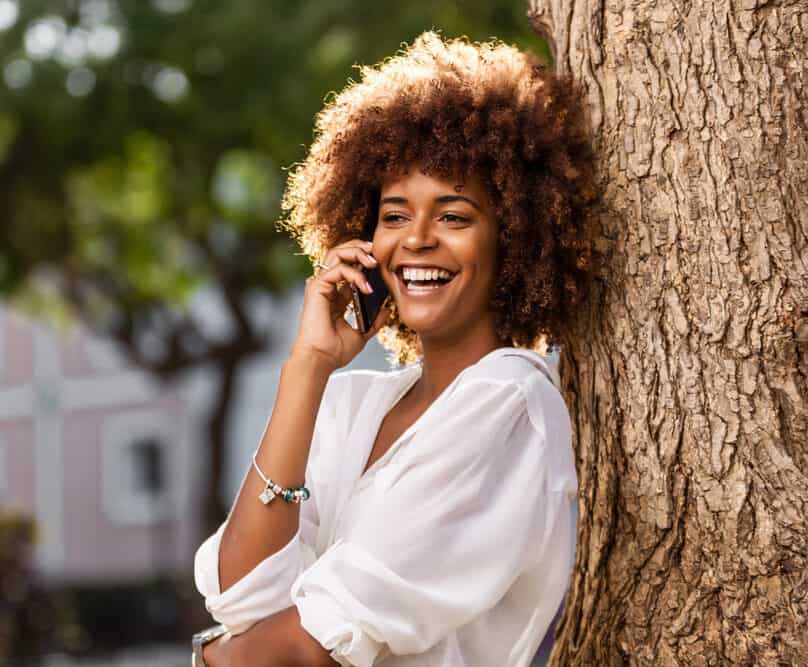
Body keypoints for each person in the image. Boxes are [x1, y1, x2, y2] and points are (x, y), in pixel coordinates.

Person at [192, 31, 598, 667]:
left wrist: (222, 655)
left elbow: (292, 649)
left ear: (513, 240)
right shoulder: (355, 401)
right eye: (394, 215)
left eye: (454, 216)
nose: (418, 240)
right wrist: (309, 367)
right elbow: (242, 595)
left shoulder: (509, 403)